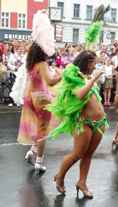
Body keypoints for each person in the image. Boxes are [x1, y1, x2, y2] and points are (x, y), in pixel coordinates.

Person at [48, 50, 108, 198]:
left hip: (99, 123)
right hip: (83, 123)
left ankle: (82, 182)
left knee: (88, 155)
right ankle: (60, 176)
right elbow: (80, 95)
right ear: (87, 62)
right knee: (77, 154)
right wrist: (94, 79)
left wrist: (91, 79)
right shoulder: (72, 77)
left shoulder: (85, 76)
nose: (95, 66)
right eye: (94, 63)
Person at [17, 11, 61, 172]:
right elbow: (49, 81)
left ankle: (32, 152)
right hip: (41, 97)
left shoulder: (30, 63)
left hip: (30, 96)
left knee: (39, 127)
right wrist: (60, 76)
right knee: (43, 130)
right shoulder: (41, 63)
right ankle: (39, 162)